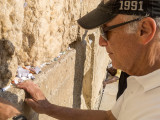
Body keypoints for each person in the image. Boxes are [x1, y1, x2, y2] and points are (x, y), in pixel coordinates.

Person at [1, 0, 160, 119]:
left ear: (144, 31)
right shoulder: (144, 78)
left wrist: (14, 116)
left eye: (106, 31)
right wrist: (48, 108)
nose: (101, 42)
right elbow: (110, 118)